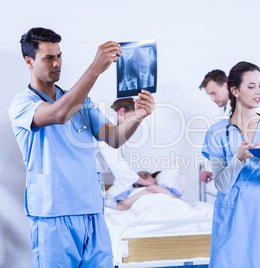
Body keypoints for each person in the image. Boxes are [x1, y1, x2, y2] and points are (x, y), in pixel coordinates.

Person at [8, 27, 155, 268]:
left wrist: (137, 116)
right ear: (29, 62)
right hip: (53, 216)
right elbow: (58, 113)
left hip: (92, 212)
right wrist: (95, 69)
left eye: (59, 56)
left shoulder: (82, 104)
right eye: (48, 58)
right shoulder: (22, 104)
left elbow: (114, 138)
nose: (57, 63)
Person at [202, 61, 260, 267]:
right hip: (233, 211)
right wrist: (239, 158)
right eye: (251, 86)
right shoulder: (216, 132)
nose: (258, 91)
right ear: (235, 90)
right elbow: (222, 185)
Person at [199, 70, 230, 184]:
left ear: (225, 86)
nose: (212, 99)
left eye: (213, 93)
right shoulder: (224, 111)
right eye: (209, 95)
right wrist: (209, 169)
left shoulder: (244, 108)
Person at [111, 171, 182, 211]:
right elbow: (120, 207)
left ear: (154, 180)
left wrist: (162, 190)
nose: (141, 177)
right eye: (138, 177)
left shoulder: (167, 189)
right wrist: (143, 192)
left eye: (145, 175)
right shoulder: (130, 192)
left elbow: (181, 204)